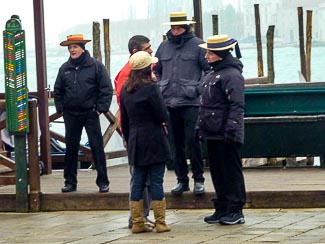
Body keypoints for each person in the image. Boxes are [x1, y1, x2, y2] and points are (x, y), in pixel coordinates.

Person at [153, 12, 210, 195]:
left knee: (193, 141)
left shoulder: (199, 45)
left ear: (186, 27)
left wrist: (197, 88)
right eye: (173, 27)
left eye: (178, 27)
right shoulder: (163, 47)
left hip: (191, 102)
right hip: (169, 102)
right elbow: (156, 70)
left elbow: (208, 70)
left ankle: (199, 180)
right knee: (174, 144)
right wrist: (161, 85)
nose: (175, 30)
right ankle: (181, 180)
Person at [197, 34, 246, 225]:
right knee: (217, 170)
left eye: (209, 52)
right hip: (212, 131)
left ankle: (236, 209)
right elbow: (205, 104)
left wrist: (232, 129)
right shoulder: (211, 73)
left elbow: (237, 105)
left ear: (219, 54)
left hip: (226, 132)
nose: (206, 56)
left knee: (231, 171)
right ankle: (222, 206)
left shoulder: (232, 75)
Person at [54, 34, 113, 193]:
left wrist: (101, 108)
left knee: (96, 147)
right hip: (71, 114)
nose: (72, 50)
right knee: (71, 148)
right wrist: (60, 108)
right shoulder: (64, 68)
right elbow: (57, 90)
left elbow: (106, 89)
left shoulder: (96, 66)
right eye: (70, 47)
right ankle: (70, 182)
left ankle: (103, 182)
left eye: (75, 47)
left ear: (82, 48)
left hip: (90, 113)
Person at [120, 51, 171, 234]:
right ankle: (160, 222)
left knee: (138, 181)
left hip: (135, 139)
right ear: (148, 67)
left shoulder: (125, 90)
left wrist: (129, 138)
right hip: (154, 139)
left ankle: (137, 222)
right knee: (156, 181)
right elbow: (162, 115)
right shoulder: (151, 88)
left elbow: (123, 122)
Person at [114, 35, 154, 229]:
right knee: (139, 176)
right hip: (136, 132)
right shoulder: (126, 75)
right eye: (147, 49)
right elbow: (127, 106)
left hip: (144, 131)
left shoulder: (147, 71)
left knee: (146, 176)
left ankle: (143, 215)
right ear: (135, 52)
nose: (151, 51)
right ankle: (138, 217)